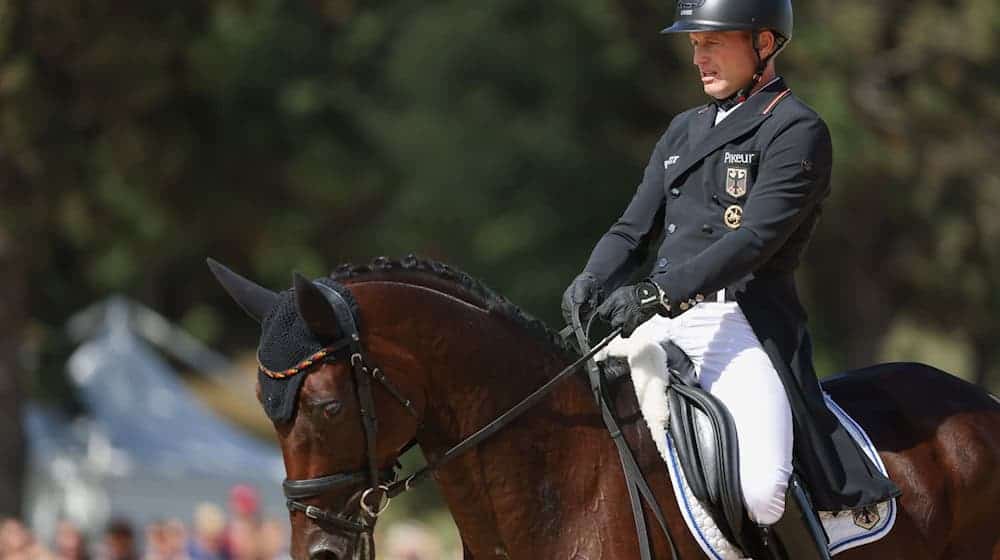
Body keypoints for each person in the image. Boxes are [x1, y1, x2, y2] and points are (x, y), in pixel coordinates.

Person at [561, 0, 899, 557]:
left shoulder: (796, 129)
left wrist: (655, 291)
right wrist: (592, 278)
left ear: (764, 44)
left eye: (713, 42)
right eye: (695, 44)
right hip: (655, 322)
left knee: (763, 489)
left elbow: (754, 241)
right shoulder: (682, 130)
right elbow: (632, 229)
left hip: (739, 325)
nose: (700, 57)